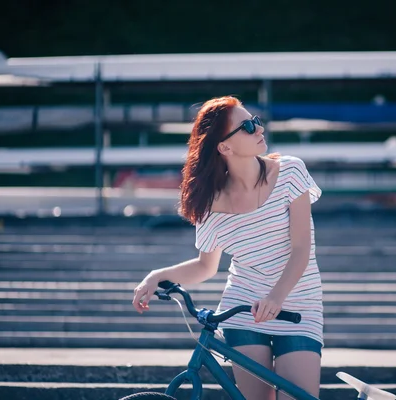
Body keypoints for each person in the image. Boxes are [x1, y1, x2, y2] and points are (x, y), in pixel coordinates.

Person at [132, 96, 323, 399]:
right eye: (247, 126)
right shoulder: (211, 205)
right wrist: (158, 275)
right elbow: (205, 266)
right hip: (243, 309)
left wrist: (276, 297)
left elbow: (301, 249)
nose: (258, 128)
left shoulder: (290, 172)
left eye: (256, 121)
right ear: (225, 147)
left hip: (299, 305)